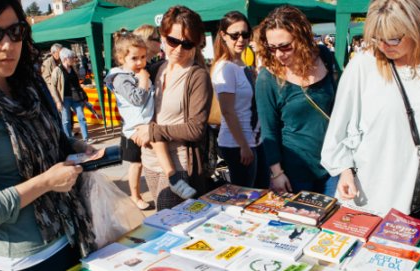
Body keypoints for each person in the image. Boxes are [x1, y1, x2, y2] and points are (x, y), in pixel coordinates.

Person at [0, 1, 98, 270]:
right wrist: (45, 182)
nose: (7, 45)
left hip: (75, 233)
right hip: (25, 259)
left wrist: (74, 145)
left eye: (16, 31)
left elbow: (46, 143)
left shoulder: (28, 85)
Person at [321, 0, 420, 222]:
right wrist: (344, 169)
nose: (384, 45)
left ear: (417, 28)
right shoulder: (363, 65)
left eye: (394, 37)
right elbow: (339, 128)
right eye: (377, 37)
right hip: (373, 197)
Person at [131, 5, 213, 210]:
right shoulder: (157, 69)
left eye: (186, 44)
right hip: (149, 160)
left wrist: (153, 131)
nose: (178, 49)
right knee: (163, 223)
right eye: (173, 41)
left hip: (179, 166)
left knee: (169, 224)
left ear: (196, 44)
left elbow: (196, 129)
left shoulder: (197, 76)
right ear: (163, 36)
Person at [255, 5, 337, 195]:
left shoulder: (324, 56)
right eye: (272, 47)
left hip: (333, 165)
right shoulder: (268, 78)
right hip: (295, 172)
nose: (278, 54)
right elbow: (269, 130)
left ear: (301, 37)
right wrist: (277, 173)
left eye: (285, 46)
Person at [105, 33, 195, 201]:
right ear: (121, 58)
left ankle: (172, 178)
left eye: (143, 57)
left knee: (158, 141)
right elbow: (137, 99)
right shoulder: (120, 78)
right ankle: (173, 178)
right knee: (158, 140)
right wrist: (144, 79)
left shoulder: (136, 73)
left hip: (145, 121)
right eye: (134, 58)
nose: (140, 62)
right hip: (136, 125)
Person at [211, 11, 259, 187]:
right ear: (223, 35)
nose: (241, 39)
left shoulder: (242, 65)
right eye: (235, 35)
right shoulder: (226, 67)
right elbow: (228, 111)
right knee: (245, 196)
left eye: (245, 34)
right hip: (237, 144)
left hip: (251, 140)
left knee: (256, 194)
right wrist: (243, 146)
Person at [50, 48, 95, 143]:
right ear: (65, 58)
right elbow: (53, 86)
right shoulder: (57, 70)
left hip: (76, 97)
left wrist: (83, 96)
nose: (73, 59)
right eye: (71, 57)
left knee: (81, 117)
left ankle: (86, 138)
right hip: (64, 98)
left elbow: (77, 84)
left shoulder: (73, 69)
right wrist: (58, 101)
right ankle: (69, 140)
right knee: (66, 120)